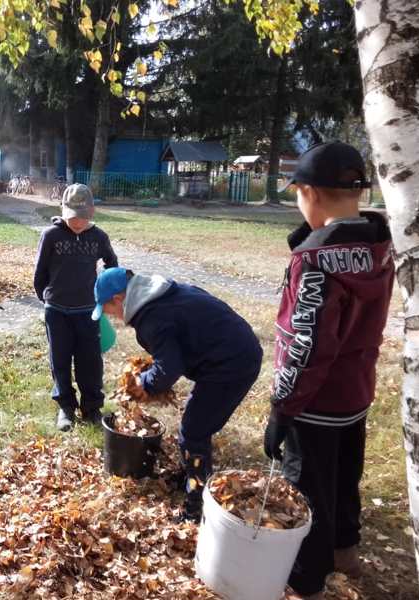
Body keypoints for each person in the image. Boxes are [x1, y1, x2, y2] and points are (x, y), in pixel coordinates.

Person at [263, 141, 395, 600]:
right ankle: (345, 549)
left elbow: (308, 345)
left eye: (299, 194)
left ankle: (306, 580)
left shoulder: (314, 262)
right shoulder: (379, 242)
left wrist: (283, 409)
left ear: (310, 193)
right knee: (343, 476)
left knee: (307, 491)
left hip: (314, 402)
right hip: (355, 392)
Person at [92, 267, 263, 520]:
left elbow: (169, 368)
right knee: (195, 425)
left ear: (118, 299)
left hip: (232, 364)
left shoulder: (153, 317)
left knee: (193, 432)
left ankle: (196, 503)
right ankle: (191, 474)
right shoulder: (160, 294)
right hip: (231, 352)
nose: (113, 317)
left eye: (109, 311)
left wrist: (144, 383)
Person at [33, 184, 118, 431]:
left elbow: (112, 265)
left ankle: (91, 407)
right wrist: (45, 298)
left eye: (82, 217)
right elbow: (39, 272)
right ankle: (66, 408)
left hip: (88, 311)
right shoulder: (51, 236)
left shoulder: (99, 237)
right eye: (72, 216)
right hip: (57, 310)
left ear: (91, 212)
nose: (77, 222)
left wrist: (105, 291)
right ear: (63, 210)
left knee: (90, 362)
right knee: (59, 360)